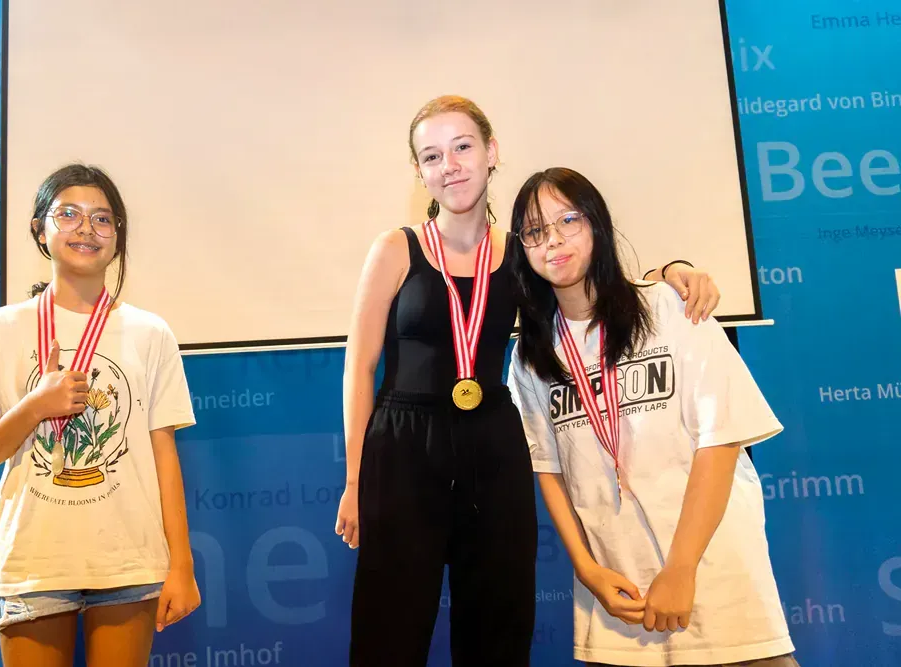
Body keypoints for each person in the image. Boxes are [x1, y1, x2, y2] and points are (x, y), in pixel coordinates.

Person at [334, 95, 721, 667]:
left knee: (498, 623)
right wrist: (354, 480)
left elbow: (592, 285)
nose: (452, 165)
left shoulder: (522, 251)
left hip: (493, 444)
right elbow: (359, 365)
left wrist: (667, 273)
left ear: (492, 152)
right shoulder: (396, 249)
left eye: (463, 147)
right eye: (433, 156)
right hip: (402, 445)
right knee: (388, 628)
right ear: (420, 172)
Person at [506, 167, 797, 667]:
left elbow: (720, 441)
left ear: (596, 224)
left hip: (715, 579)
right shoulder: (531, 355)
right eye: (534, 230)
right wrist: (587, 570)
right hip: (620, 598)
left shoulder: (672, 307)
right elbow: (547, 472)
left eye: (568, 220)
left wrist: (682, 569)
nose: (552, 239)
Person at [0, 164, 200, 667]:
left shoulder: (151, 333)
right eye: (68, 214)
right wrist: (35, 406)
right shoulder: (0, 330)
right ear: (40, 230)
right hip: (34, 560)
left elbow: (163, 454)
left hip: (127, 561)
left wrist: (182, 565)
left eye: (103, 219)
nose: (87, 229)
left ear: (118, 238)